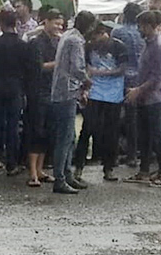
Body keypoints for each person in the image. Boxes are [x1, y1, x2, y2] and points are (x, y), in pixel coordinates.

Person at [49, 10, 96, 194]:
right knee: (65, 138)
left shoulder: (68, 35)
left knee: (69, 137)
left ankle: (66, 174)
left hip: (62, 89)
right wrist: (87, 81)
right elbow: (77, 68)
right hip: (67, 92)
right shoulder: (76, 41)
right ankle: (60, 177)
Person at [75, 21, 126, 182]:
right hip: (94, 92)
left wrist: (100, 72)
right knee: (87, 128)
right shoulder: (89, 47)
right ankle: (78, 166)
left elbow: (122, 69)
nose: (93, 40)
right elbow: (85, 67)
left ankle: (109, 167)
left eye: (95, 36)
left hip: (114, 94)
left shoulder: (119, 47)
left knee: (112, 131)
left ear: (103, 33)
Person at [124, 10, 161, 186]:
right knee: (144, 136)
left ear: (153, 26)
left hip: (154, 98)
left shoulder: (159, 46)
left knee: (157, 135)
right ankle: (144, 171)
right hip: (144, 97)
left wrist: (139, 90)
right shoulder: (148, 43)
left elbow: (158, 78)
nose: (140, 29)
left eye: (143, 25)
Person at [0, 9, 29, 176]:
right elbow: (27, 70)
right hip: (16, 88)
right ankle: (12, 164)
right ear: (15, 24)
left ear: (1, 25)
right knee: (13, 126)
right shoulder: (23, 45)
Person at [24, 8, 62, 187]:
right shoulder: (35, 43)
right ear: (45, 22)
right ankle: (32, 172)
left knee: (47, 131)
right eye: (55, 23)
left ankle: (40, 169)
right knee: (36, 131)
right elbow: (39, 67)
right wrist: (60, 63)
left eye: (60, 24)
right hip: (37, 92)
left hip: (52, 91)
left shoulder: (57, 42)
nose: (58, 27)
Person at [113, 2, 144, 165]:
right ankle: (133, 154)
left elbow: (112, 54)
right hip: (139, 77)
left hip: (120, 76)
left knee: (116, 116)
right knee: (134, 118)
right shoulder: (142, 33)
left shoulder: (117, 31)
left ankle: (115, 153)